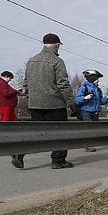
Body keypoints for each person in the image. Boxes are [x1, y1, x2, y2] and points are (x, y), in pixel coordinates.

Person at [22, 33, 75, 169]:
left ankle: (19, 152)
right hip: (54, 104)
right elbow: (63, 84)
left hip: (35, 104)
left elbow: (26, 84)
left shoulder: (31, 61)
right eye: (59, 46)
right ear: (57, 45)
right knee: (61, 133)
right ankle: (58, 160)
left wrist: (30, 100)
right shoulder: (57, 61)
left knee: (37, 134)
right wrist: (72, 103)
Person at [0, 70, 24, 168]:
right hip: (5, 106)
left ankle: (11, 140)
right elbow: (6, 94)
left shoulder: (2, 83)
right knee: (6, 123)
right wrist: (16, 91)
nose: (10, 80)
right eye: (10, 78)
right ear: (6, 76)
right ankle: (5, 140)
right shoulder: (0, 83)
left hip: (8, 107)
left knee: (13, 123)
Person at [76, 69, 108, 151]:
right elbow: (77, 99)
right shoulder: (84, 87)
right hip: (86, 111)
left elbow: (101, 102)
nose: (98, 80)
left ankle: (90, 144)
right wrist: (85, 98)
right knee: (87, 128)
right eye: (97, 78)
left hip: (95, 112)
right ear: (92, 78)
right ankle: (87, 146)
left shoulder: (98, 90)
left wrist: (106, 99)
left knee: (94, 129)